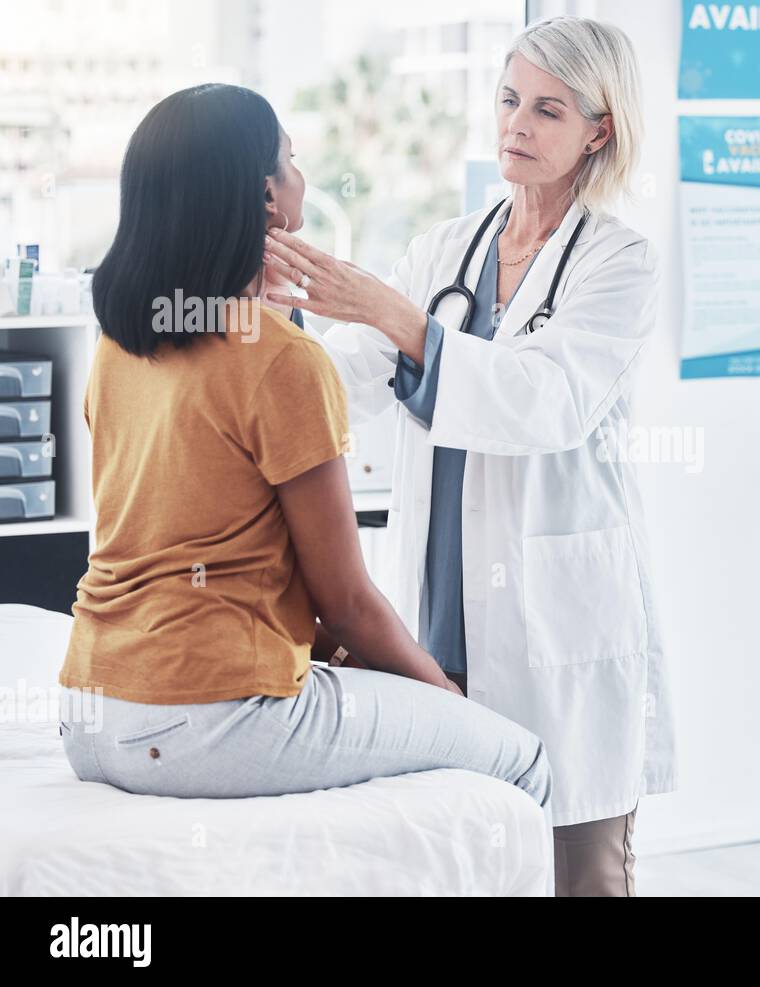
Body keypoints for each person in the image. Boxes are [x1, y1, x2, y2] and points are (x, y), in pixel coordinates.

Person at [57, 85, 554, 874]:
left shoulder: (121, 342)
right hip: (207, 724)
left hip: (91, 714)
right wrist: (446, 703)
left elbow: (194, 545)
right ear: (267, 196)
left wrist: (321, 649)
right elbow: (348, 600)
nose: (301, 176)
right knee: (520, 758)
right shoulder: (284, 362)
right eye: (291, 160)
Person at [264, 15, 677, 896]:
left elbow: (545, 402)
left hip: (556, 619)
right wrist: (262, 335)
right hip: (440, 609)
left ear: (599, 130)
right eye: (509, 101)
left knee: (583, 872)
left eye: (549, 111)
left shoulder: (619, 263)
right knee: (464, 862)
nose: (518, 126)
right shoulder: (444, 250)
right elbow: (345, 384)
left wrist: (394, 313)